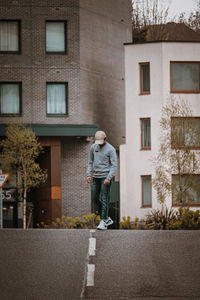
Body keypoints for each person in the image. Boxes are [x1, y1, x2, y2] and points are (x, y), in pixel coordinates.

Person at [87, 130, 117, 230]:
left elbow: (114, 165)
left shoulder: (111, 149)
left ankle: (103, 221)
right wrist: (88, 175)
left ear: (105, 139)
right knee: (94, 198)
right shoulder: (93, 148)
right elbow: (90, 162)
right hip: (96, 176)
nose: (99, 144)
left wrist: (109, 178)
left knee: (105, 199)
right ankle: (106, 218)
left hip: (105, 177)